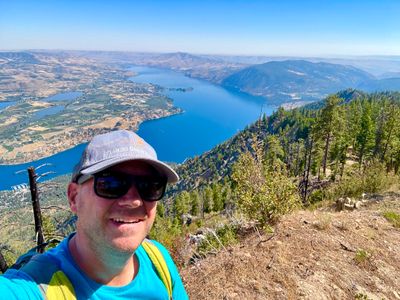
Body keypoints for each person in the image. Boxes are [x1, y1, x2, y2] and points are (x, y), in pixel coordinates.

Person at [0, 129, 189, 299]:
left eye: (150, 186)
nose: (134, 200)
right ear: (74, 197)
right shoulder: (36, 287)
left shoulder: (158, 259)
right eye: (111, 184)